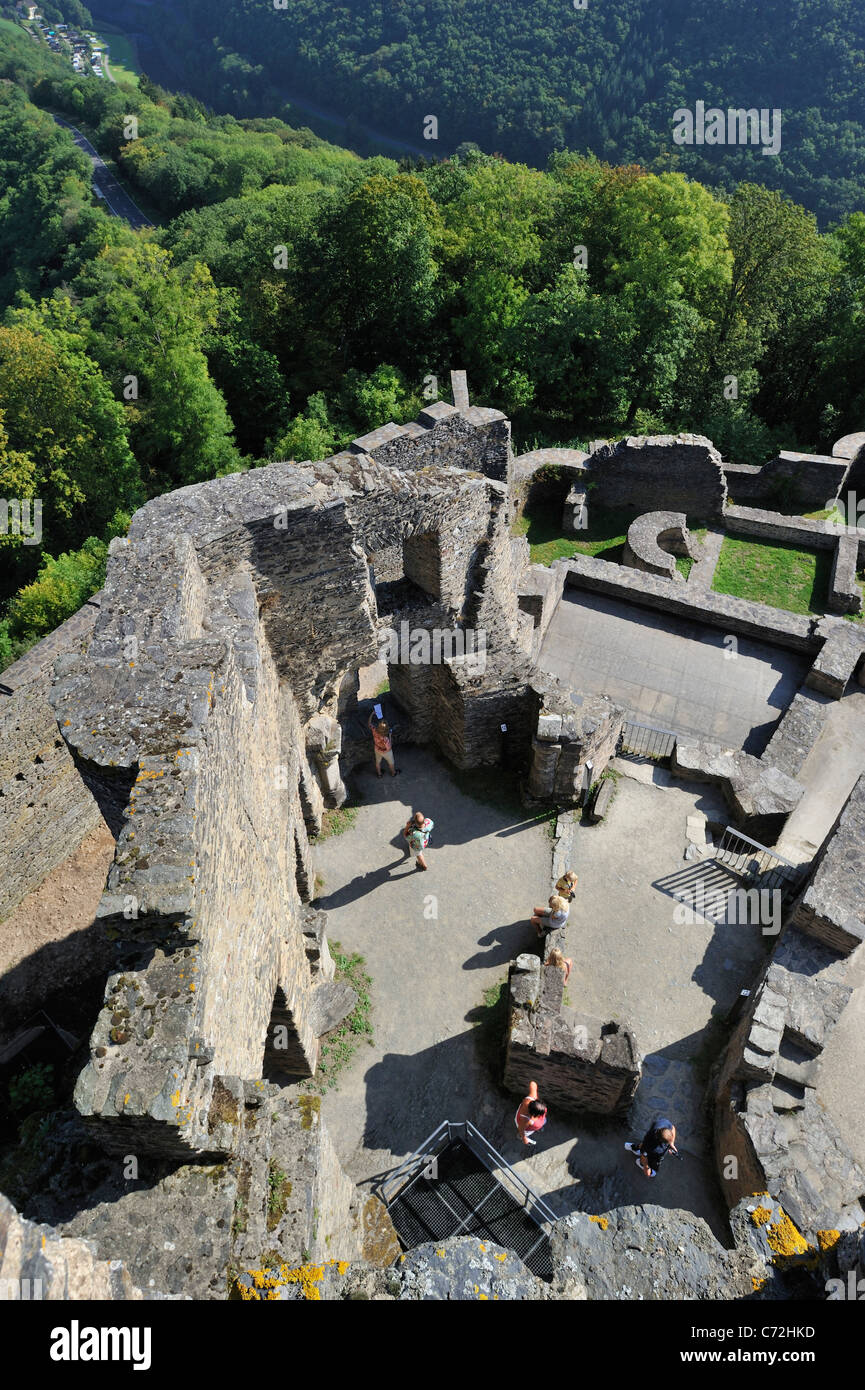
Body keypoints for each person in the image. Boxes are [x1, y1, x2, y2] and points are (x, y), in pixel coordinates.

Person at [515, 1080, 547, 1147]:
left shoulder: (532, 1098)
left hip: (532, 1122)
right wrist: (524, 1139)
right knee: (523, 1133)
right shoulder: (526, 1120)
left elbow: (533, 1083)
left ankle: (538, 1128)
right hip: (526, 1129)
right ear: (533, 1114)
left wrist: (535, 1096)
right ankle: (519, 1137)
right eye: (539, 1115)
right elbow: (521, 1129)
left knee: (543, 1121)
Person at [368, 711, 397, 778]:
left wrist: (372, 714)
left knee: (378, 762)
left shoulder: (374, 730)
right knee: (391, 763)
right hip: (386, 752)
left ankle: (379, 774)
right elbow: (389, 747)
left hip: (377, 749)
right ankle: (393, 773)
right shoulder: (386, 739)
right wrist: (390, 735)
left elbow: (369, 723)